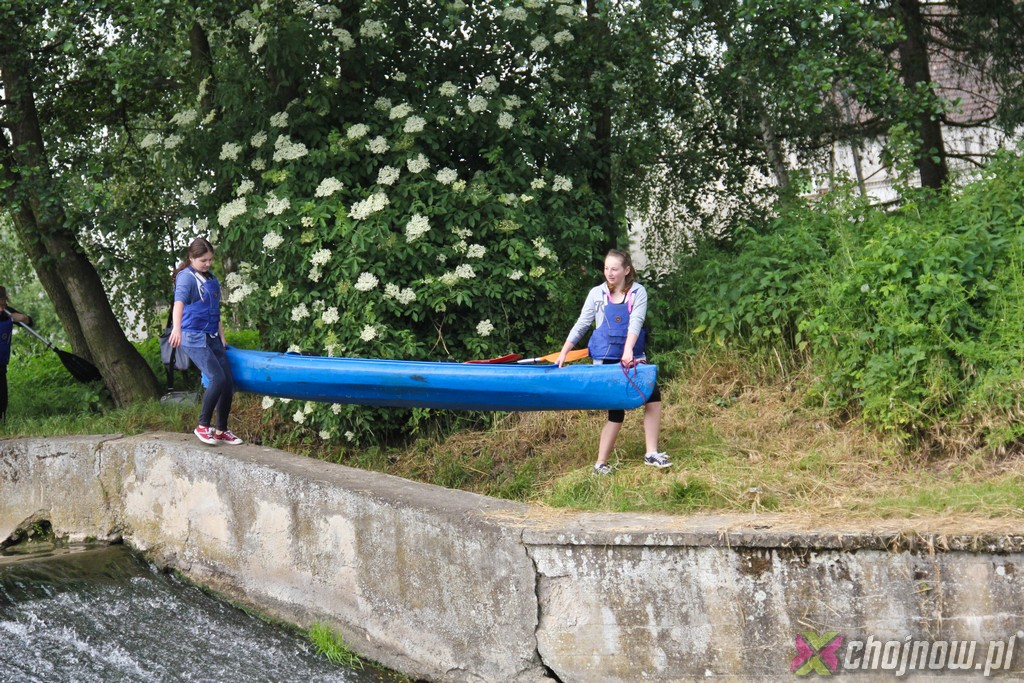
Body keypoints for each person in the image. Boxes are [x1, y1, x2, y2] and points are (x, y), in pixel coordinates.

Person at [555, 249, 670, 475]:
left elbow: (636, 321)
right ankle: (600, 464)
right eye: (606, 268)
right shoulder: (596, 294)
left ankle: (651, 453)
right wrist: (564, 352)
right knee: (616, 413)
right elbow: (582, 323)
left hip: (632, 357)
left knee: (653, 397)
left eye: (614, 269)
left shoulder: (638, 292)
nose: (609, 273)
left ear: (626, 270)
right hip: (606, 359)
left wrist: (628, 351)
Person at [168, 237, 243, 445]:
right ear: (191, 258)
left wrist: (222, 335)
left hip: (212, 336)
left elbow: (214, 310)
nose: (208, 264)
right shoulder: (187, 278)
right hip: (193, 337)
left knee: (227, 383)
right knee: (217, 378)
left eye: (210, 259)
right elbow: (178, 303)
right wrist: (176, 329)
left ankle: (221, 430)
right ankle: (202, 426)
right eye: (203, 260)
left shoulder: (210, 278)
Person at [0, 286, 33, 422]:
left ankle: (2, 422)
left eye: (3, 305)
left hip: (1, 363)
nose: (1, 309)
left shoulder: (7, 312)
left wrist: (24, 318)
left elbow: (30, 322)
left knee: (2, 397)